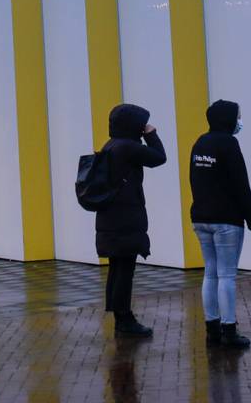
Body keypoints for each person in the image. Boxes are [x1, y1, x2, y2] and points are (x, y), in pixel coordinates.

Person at [189, 100, 251, 348]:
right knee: (227, 275)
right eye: (238, 116)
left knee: (210, 273)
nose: (239, 121)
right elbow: (241, 183)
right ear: (228, 118)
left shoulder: (200, 142)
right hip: (227, 220)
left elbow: (193, 180)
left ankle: (212, 329)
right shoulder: (229, 144)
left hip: (201, 218)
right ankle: (229, 331)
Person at [96, 103, 167, 339]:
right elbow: (159, 158)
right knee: (125, 268)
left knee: (117, 267)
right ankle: (125, 318)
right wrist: (151, 135)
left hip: (111, 216)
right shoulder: (127, 147)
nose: (144, 126)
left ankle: (120, 315)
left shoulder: (111, 145)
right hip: (125, 217)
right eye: (142, 123)